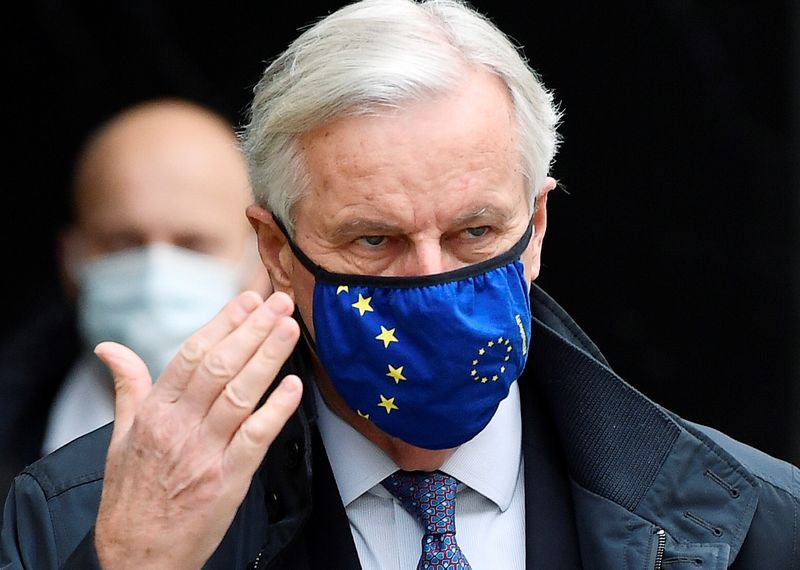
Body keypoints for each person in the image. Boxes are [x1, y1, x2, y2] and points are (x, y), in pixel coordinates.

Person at [2, 1, 798, 568]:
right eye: (374, 240)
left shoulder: (756, 522)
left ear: (538, 229)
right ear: (275, 251)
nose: (430, 281)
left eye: (474, 233)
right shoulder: (84, 520)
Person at [0, 97, 269, 497]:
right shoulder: (11, 425)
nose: (156, 271)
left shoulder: (326, 447)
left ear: (264, 259)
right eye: (122, 244)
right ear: (70, 259)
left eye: (193, 245)